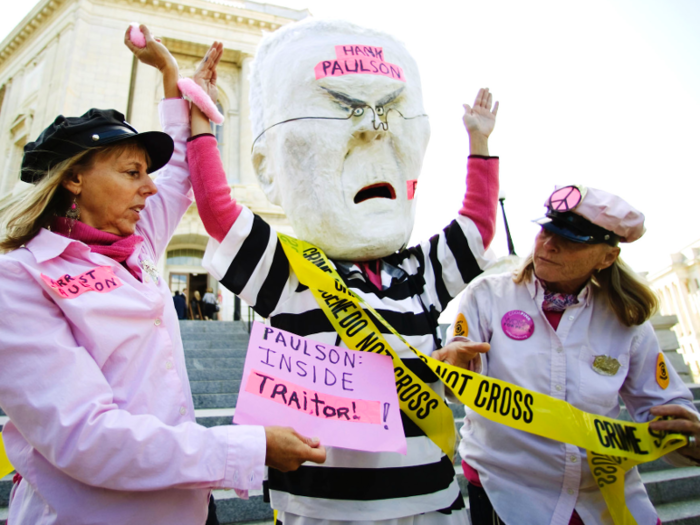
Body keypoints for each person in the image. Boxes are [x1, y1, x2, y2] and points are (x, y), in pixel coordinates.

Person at [0, 25, 325, 525]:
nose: (150, 189)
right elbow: (86, 438)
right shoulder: (17, 279)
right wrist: (247, 447)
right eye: (132, 173)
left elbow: (177, 175)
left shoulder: (137, 245)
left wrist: (175, 80)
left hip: (187, 506)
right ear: (74, 177)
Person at [187, 19, 499, 524]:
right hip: (325, 505)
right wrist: (202, 125)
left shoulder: (420, 272)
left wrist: (480, 143)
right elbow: (220, 212)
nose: (373, 129)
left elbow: (477, 225)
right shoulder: (289, 272)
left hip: (431, 499)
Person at [438, 185, 700, 525]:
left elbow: (663, 409)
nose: (549, 244)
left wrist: (687, 440)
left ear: (607, 257)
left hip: (604, 497)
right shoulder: (487, 295)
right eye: (547, 230)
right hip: (508, 493)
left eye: (573, 240)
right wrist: (455, 370)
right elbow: (459, 379)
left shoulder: (627, 320)